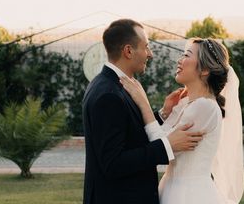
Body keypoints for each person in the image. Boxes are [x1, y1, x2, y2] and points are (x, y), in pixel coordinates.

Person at [82, 19, 205, 204]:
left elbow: (128, 133)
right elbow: (113, 164)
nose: (150, 53)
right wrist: (167, 146)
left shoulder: (114, 84)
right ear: (128, 51)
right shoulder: (108, 94)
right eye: (146, 47)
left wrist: (162, 114)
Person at [120, 37, 244, 204]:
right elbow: (161, 139)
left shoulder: (204, 108)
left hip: (190, 194)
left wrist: (143, 103)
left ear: (205, 69)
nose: (179, 60)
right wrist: (165, 111)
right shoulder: (185, 103)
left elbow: (163, 146)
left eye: (187, 55)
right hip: (171, 187)